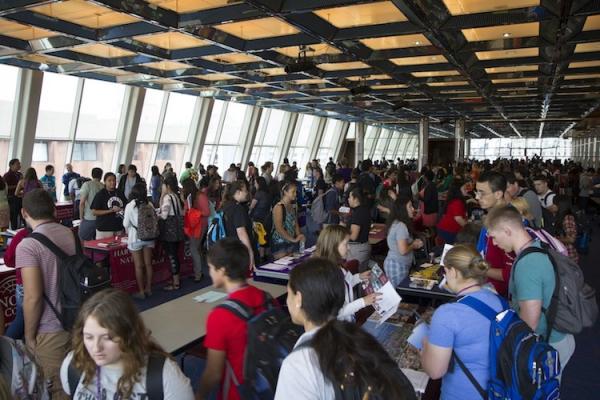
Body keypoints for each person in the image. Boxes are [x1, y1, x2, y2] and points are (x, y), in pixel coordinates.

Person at [275, 258, 416, 400]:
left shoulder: (299, 363)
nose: (287, 300)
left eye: (288, 293)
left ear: (298, 299)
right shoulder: (360, 337)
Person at [485, 206, 576, 378]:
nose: (494, 243)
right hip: (558, 335)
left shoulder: (527, 264)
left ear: (507, 230)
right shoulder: (538, 245)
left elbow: (530, 322)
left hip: (548, 343)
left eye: (494, 237)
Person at [60, 289, 194, 399]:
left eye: (107, 338)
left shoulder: (164, 376)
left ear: (128, 334)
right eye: (89, 337)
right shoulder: (73, 365)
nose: (96, 348)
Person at [420, 244, 505, 400]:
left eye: (445, 272)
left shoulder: (447, 314)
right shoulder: (498, 300)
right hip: (499, 391)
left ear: (453, 272)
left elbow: (435, 371)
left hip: (463, 393)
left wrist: (425, 347)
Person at [16, 189, 77, 400]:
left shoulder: (28, 246)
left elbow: (32, 297)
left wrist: (30, 337)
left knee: (57, 389)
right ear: (53, 209)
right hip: (76, 321)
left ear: (24, 213)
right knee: (77, 381)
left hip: (50, 330)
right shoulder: (69, 234)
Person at [197, 238, 274, 400]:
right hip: (270, 385)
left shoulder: (220, 316)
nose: (209, 272)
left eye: (211, 267)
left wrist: (199, 396)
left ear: (222, 271)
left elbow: (213, 373)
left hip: (238, 392)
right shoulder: (266, 298)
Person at [314, 225, 379, 321]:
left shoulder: (338, 265)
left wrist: (359, 277)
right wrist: (363, 302)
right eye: (346, 244)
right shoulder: (327, 275)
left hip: (347, 319)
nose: (349, 248)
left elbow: (346, 283)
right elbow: (336, 312)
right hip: (337, 325)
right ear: (333, 246)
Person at [475, 171, 512, 297]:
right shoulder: (491, 217)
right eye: (477, 192)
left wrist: (477, 269)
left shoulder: (509, 222)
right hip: (486, 287)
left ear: (498, 194)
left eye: (482, 193)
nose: (477, 197)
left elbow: (511, 273)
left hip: (502, 295)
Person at [123, 182, 156, 299]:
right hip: (149, 238)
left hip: (135, 238)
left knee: (138, 266)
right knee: (148, 264)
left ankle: (141, 291)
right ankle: (149, 288)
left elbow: (125, 223)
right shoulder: (149, 204)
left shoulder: (130, 206)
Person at [384, 194, 424, 287]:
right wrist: (414, 244)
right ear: (403, 209)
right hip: (397, 266)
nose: (413, 209)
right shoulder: (401, 226)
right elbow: (403, 250)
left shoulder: (396, 222)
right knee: (398, 294)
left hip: (397, 263)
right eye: (410, 206)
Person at [222, 181, 259, 270]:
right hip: (239, 249)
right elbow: (241, 232)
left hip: (229, 246)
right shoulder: (238, 208)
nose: (247, 193)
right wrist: (250, 251)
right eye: (245, 190)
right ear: (238, 192)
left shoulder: (226, 205)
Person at [182, 178, 210, 282]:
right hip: (193, 226)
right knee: (196, 248)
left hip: (200, 226)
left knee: (193, 248)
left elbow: (207, 212)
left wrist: (195, 213)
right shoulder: (190, 197)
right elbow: (185, 210)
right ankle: (198, 272)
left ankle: (198, 274)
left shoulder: (201, 196)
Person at [159, 175, 184, 290]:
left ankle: (176, 283)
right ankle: (176, 279)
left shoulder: (167, 197)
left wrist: (156, 214)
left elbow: (164, 215)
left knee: (172, 255)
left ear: (167, 186)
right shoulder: (176, 196)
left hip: (169, 230)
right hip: (178, 229)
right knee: (175, 255)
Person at [271, 181, 305, 260]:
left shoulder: (292, 206)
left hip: (290, 240)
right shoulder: (279, 207)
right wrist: (293, 239)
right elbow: (279, 228)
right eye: (293, 192)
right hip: (279, 242)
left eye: (295, 192)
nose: (295, 194)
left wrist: (299, 235)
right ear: (285, 192)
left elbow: (295, 224)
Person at [343, 188, 372, 271]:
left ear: (356, 199)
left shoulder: (358, 213)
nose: (348, 199)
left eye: (350, 197)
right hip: (362, 247)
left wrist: (341, 233)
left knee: (355, 275)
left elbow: (353, 236)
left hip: (357, 249)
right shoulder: (364, 209)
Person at [91, 172, 127, 239]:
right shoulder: (100, 194)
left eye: (114, 180)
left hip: (118, 227)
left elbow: (126, 205)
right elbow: (94, 212)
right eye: (109, 180)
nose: (112, 182)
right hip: (104, 229)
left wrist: (122, 209)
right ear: (105, 182)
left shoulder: (120, 193)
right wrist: (110, 210)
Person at [436, 180, 468, 244]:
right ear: (458, 191)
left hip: (447, 228)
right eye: (464, 189)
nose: (466, 190)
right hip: (448, 230)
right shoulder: (457, 202)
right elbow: (458, 218)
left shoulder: (455, 200)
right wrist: (468, 227)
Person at [78, 167, 104, 241]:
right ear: (101, 176)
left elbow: (82, 203)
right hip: (101, 218)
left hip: (89, 218)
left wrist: (81, 218)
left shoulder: (87, 185)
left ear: (92, 175)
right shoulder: (103, 186)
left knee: (82, 240)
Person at [552, 194, 579, 264]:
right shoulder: (561, 215)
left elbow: (571, 239)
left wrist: (555, 239)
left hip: (569, 255)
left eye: (554, 204)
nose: (553, 205)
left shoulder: (567, 218)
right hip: (565, 254)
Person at [4, 159, 22, 229]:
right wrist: (18, 186)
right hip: (12, 199)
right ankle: (14, 232)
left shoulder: (20, 174)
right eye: (17, 164)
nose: (19, 166)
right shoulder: (7, 175)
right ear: (11, 165)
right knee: (13, 216)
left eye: (19, 164)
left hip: (20, 197)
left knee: (22, 216)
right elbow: (5, 187)